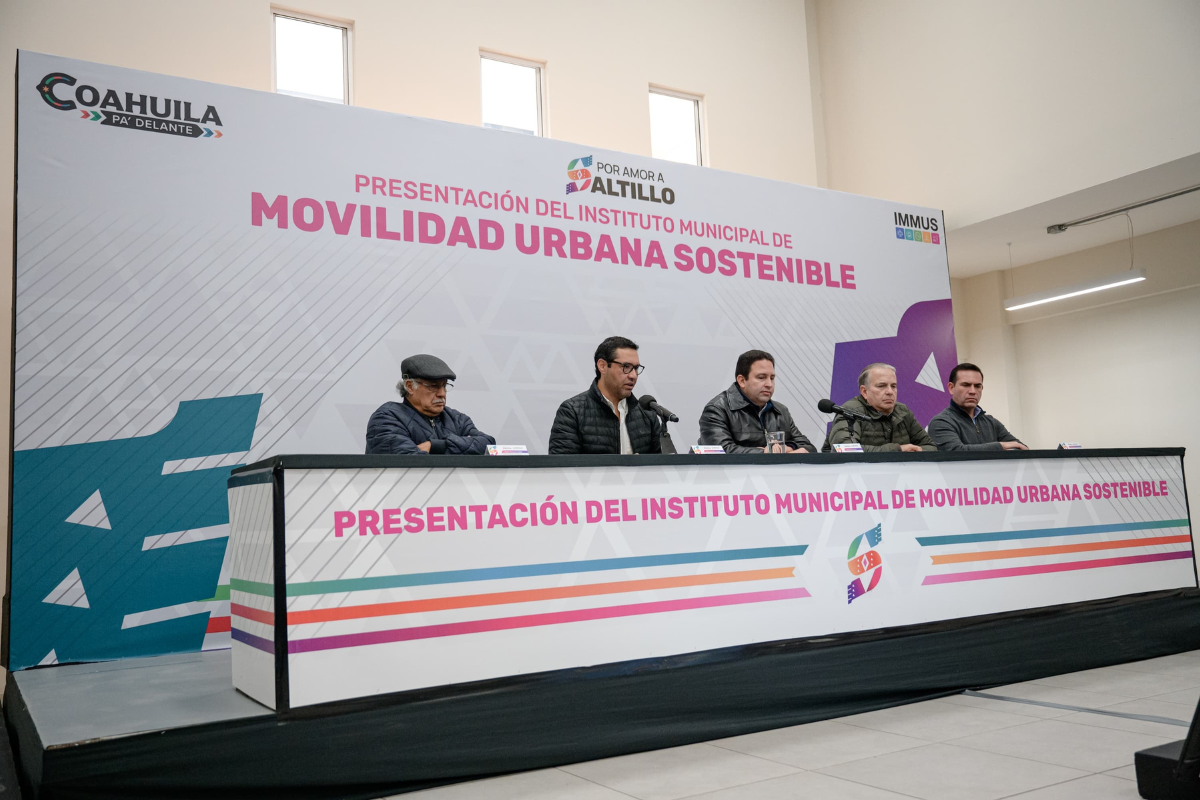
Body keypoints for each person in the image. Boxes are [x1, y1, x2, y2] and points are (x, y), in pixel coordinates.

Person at [549, 336, 662, 455]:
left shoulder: (647, 414)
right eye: (626, 367)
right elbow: (562, 465)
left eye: (636, 368)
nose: (633, 375)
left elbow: (663, 465)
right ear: (602, 366)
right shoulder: (572, 412)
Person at [365, 354, 495, 455]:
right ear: (410, 386)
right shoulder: (386, 418)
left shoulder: (457, 419)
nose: (442, 393)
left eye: (444, 386)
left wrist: (435, 446)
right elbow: (410, 462)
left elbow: (489, 446)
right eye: (433, 386)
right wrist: (461, 446)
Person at [698, 350, 815, 453]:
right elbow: (721, 451)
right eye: (761, 377)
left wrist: (788, 448)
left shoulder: (781, 411)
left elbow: (808, 447)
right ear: (742, 381)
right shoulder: (717, 409)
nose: (769, 384)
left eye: (772, 378)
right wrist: (765, 453)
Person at [823, 363, 937, 452]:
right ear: (864, 391)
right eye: (881, 386)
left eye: (893, 386)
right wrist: (898, 450)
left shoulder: (902, 411)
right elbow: (844, 449)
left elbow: (930, 446)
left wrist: (913, 452)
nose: (890, 392)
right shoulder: (850, 411)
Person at [928, 363, 1028, 451]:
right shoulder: (941, 422)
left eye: (977, 386)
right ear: (951, 388)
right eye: (966, 385)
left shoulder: (991, 422)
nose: (973, 391)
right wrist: (1000, 446)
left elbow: (1021, 447)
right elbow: (957, 452)